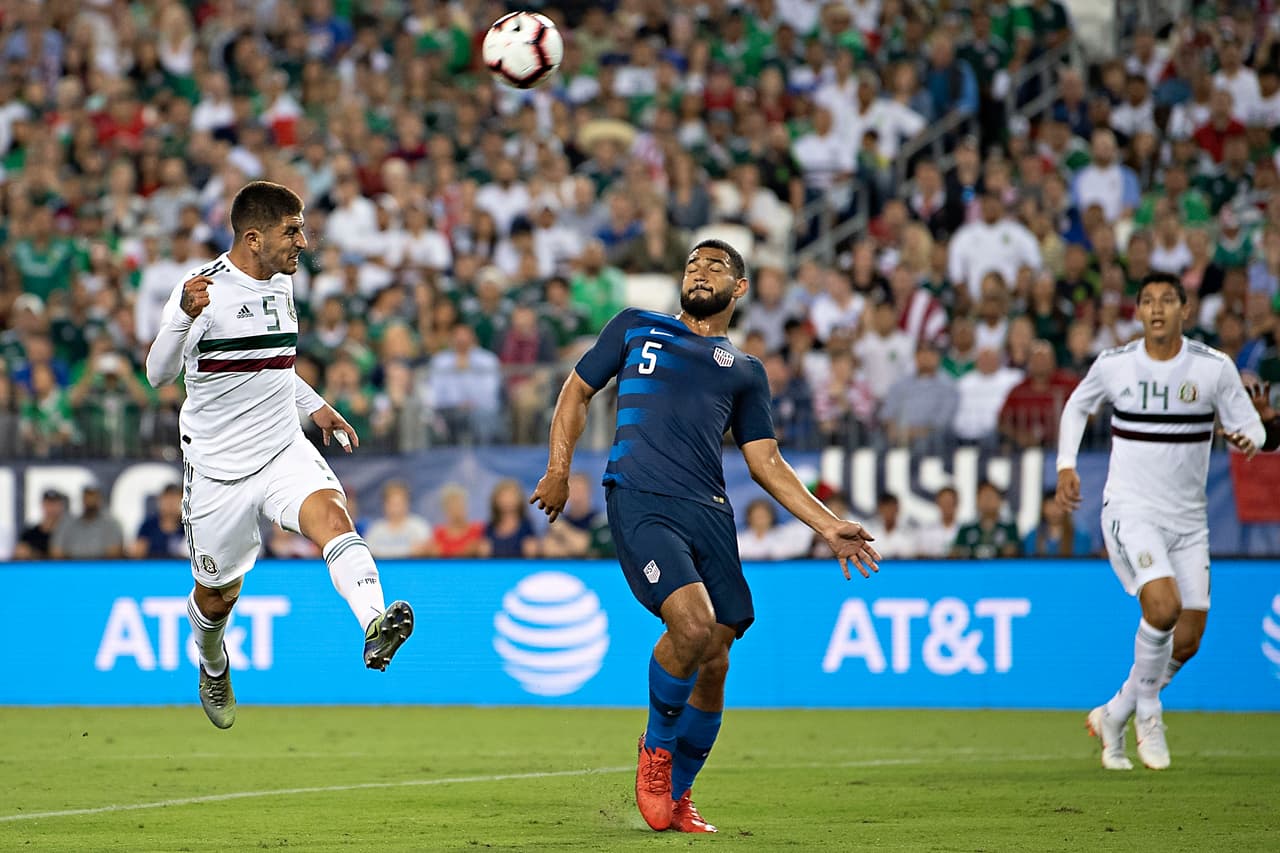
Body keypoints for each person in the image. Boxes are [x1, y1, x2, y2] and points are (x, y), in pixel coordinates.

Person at [530, 239, 880, 834]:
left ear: (738, 288)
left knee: (716, 655)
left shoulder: (745, 371)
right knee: (690, 625)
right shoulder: (636, 326)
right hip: (641, 499)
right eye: (692, 264)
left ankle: (681, 794)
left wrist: (826, 525)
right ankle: (656, 753)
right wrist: (560, 469)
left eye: (715, 266)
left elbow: (766, 461)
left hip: (709, 512)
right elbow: (576, 391)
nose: (699, 272)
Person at [145, 181, 414, 730]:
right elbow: (157, 374)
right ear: (252, 237)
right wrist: (181, 320)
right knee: (217, 598)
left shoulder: (283, 284)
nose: (304, 241)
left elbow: (274, 365)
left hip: (280, 449)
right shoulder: (201, 291)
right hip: (218, 470)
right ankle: (214, 663)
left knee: (332, 517)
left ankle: (373, 623)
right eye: (292, 230)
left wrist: (317, 408)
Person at [1056, 272, 1265, 772]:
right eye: (1147, 300)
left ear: (1185, 310)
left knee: (1188, 639)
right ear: (1137, 311)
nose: (1157, 309)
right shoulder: (1116, 365)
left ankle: (1116, 711)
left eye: (1167, 300)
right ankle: (1148, 711)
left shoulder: (1213, 369)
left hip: (1189, 521)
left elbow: (1252, 425)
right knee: (1163, 606)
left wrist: (1250, 438)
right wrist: (1066, 464)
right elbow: (1076, 405)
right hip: (1131, 509)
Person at [49, 485, 125, 559]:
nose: (90, 500)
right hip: (72, 568)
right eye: (87, 496)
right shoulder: (68, 524)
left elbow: (114, 553)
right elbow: (56, 552)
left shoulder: (111, 524)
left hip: (102, 568)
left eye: (93, 496)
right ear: (82, 499)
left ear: (100, 499)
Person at [363, 480, 433, 558]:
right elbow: (368, 553)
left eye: (399, 503)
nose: (396, 508)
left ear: (407, 503)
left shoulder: (419, 526)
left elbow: (423, 550)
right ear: (385, 505)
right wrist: (408, 551)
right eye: (392, 503)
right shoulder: (375, 529)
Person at [950, 481, 1020, 559]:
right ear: (977, 501)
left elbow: (1011, 553)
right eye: (983, 496)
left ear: (1000, 501)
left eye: (990, 497)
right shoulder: (966, 528)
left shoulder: (1009, 527)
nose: (987, 501)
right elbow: (955, 554)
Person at [1022, 491, 1091, 557]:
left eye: (1058, 506)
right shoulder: (1032, 537)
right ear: (1043, 508)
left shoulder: (1080, 537)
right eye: (1050, 505)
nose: (1054, 511)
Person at [485, 479, 540, 558]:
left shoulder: (526, 526)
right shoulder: (490, 527)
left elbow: (533, 548)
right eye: (503, 496)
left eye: (510, 496)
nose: (507, 501)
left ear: (519, 499)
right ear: (495, 500)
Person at [132, 483, 189, 559]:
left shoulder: (187, 526)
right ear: (160, 501)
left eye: (174, 500)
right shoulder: (148, 526)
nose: (170, 504)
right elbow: (137, 550)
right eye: (167, 500)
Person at [15, 489, 67, 559]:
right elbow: (20, 553)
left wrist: (34, 554)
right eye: (48, 503)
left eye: (55, 504)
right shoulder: (30, 534)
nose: (52, 508)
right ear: (42, 505)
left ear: (61, 506)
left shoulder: (68, 534)